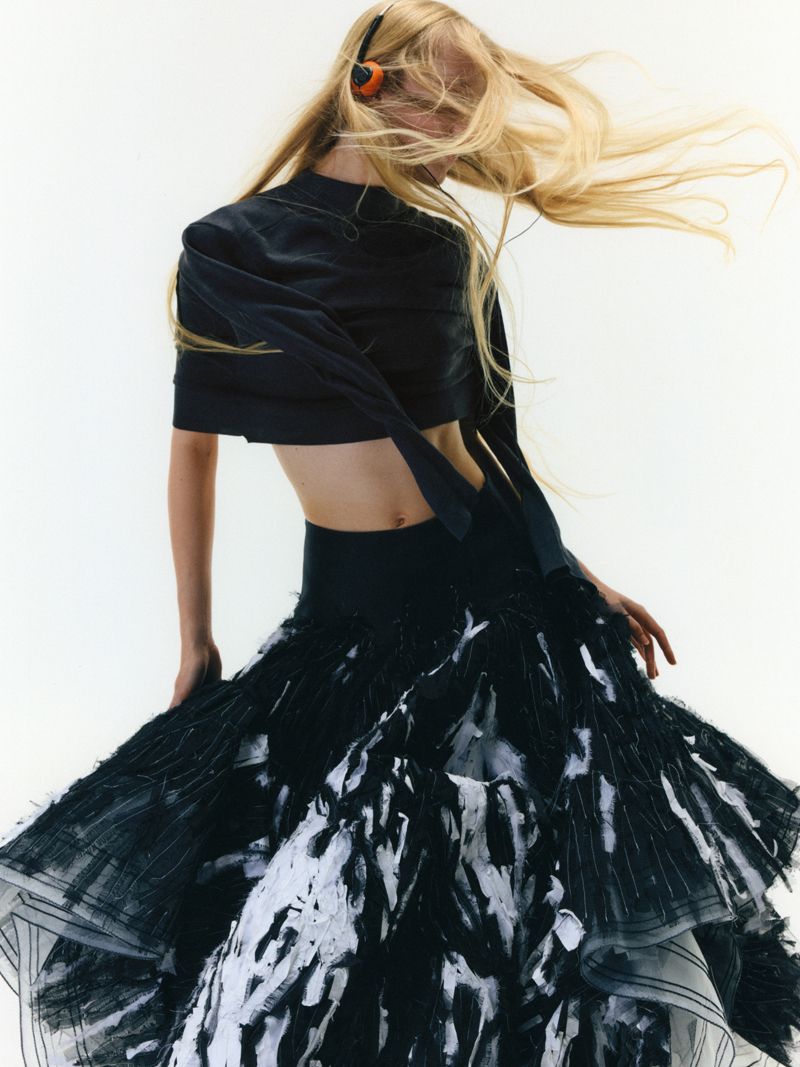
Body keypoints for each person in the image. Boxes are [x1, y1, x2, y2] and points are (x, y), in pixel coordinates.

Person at [1, 2, 799, 1064]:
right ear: (367, 83)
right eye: (446, 90)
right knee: (320, 897)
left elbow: (485, 446)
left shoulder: (440, 248)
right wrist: (193, 639)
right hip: (348, 610)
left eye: (473, 98)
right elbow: (190, 451)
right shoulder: (231, 249)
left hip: (494, 596)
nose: (463, 118)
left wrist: (577, 575)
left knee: (520, 882)